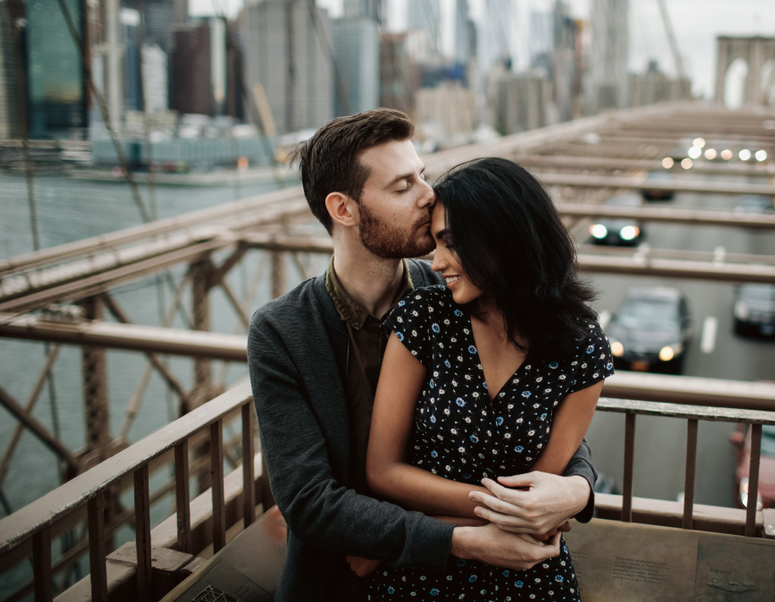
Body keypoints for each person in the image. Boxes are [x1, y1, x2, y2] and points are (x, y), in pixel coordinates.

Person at [247, 110, 598, 601]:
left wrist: (579, 488)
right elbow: (309, 502)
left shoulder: (458, 292)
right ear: (343, 209)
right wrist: (459, 540)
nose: (428, 196)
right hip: (335, 581)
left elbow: (534, 404)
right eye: (402, 186)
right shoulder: (283, 331)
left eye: (423, 176)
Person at [365, 158, 612, 601]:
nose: (436, 262)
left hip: (526, 568)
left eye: (452, 243)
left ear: (506, 238)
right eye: (436, 243)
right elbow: (383, 472)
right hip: (426, 568)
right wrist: (474, 523)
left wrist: (558, 501)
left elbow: (539, 502)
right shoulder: (424, 319)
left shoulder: (581, 343)